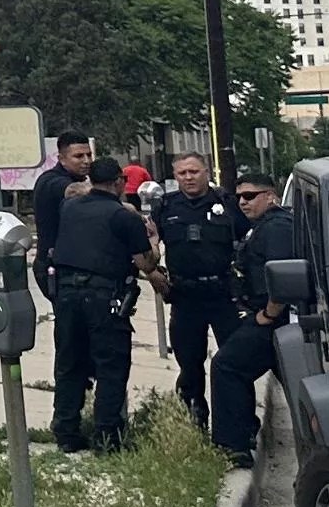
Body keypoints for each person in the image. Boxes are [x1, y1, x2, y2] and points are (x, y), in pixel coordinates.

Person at [48, 156, 152, 452]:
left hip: (66, 296)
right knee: (111, 366)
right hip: (104, 297)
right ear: (120, 181)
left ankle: (66, 432)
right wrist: (153, 242)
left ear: (91, 180)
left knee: (69, 363)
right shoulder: (124, 217)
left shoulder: (69, 208)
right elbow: (145, 262)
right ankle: (107, 436)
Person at [209, 171, 306, 468]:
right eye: (239, 196)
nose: (242, 202)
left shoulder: (276, 227)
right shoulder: (263, 226)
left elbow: (282, 276)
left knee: (227, 366)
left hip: (276, 320)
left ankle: (234, 445)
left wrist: (268, 314)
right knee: (297, 385)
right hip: (271, 317)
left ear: (270, 195)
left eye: (250, 196)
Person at [145, 153, 241, 428]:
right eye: (182, 173)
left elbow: (249, 240)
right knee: (189, 365)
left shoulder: (226, 204)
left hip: (223, 294)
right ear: (175, 177)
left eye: (194, 171)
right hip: (185, 296)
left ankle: (237, 427)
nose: (188, 177)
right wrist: (152, 272)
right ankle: (193, 422)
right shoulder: (166, 206)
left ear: (207, 172)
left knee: (233, 363)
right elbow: (147, 245)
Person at [30, 132, 92, 289]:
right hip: (54, 267)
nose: (86, 161)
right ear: (62, 159)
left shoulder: (76, 178)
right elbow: (73, 190)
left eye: (89, 155)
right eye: (78, 156)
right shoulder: (51, 180)